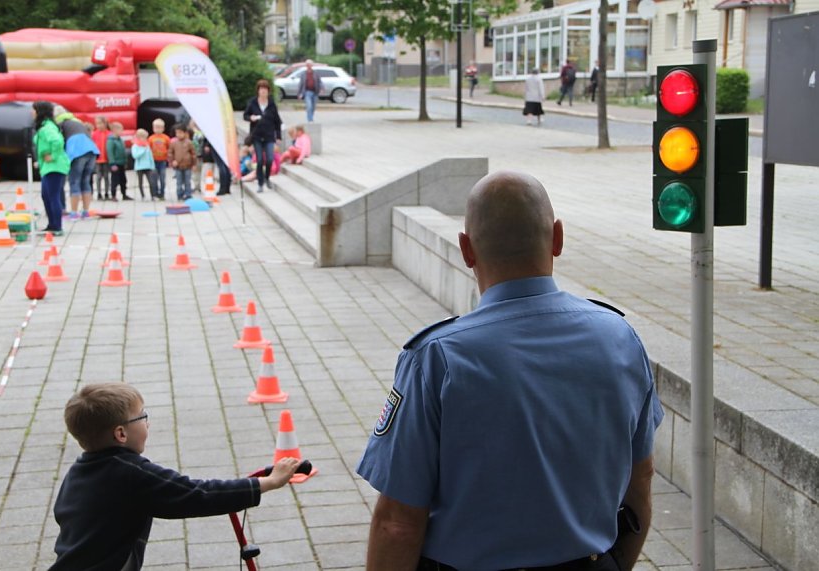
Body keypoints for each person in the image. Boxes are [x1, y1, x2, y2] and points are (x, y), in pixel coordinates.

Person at [357, 171, 663, 571]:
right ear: (557, 238)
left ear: (466, 250)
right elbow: (640, 482)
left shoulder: (438, 358)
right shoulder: (620, 338)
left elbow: (397, 523)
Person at [49, 382, 302, 570]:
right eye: (142, 416)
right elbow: (195, 493)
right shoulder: (130, 474)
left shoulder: (78, 471)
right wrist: (267, 483)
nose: (147, 423)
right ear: (121, 434)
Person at [54, 105, 99, 220]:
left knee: (74, 181)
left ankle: (73, 213)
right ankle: (85, 212)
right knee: (85, 181)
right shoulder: (77, 121)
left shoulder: (60, 123)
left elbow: (59, 141)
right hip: (91, 150)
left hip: (77, 151)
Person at [32, 101, 70, 235]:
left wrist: (52, 156)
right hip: (47, 166)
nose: (32, 113)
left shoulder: (47, 127)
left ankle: (57, 226)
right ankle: (52, 224)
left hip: (55, 166)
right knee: (46, 195)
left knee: (53, 196)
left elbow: (57, 141)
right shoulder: (44, 126)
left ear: (39, 112)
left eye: (34, 110)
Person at [244, 79, 282, 193]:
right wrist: (251, 118)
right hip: (257, 136)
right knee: (260, 160)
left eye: (265, 89)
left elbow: (277, 121)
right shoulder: (253, 102)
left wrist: (278, 136)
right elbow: (245, 115)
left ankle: (267, 178)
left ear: (268, 91)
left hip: (269, 135)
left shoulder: (271, 104)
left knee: (270, 158)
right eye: (261, 89)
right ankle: (260, 183)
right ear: (258, 91)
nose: (263, 92)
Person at [167, 123, 197, 201]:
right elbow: (170, 153)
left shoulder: (189, 142)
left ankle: (188, 195)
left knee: (187, 181)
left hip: (188, 166)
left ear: (185, 133)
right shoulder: (173, 143)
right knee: (179, 182)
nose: (178, 134)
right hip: (178, 166)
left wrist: (194, 164)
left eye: (180, 132)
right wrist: (172, 161)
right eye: (177, 133)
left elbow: (193, 154)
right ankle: (179, 195)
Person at [106, 123, 132, 201]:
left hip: (121, 163)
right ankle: (113, 195)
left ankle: (124, 194)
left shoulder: (120, 140)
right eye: (121, 130)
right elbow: (110, 152)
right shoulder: (111, 141)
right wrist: (112, 163)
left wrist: (125, 162)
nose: (122, 131)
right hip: (115, 163)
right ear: (114, 130)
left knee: (123, 180)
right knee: (115, 180)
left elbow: (123, 151)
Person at [131, 129, 159, 200]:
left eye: (145, 137)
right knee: (140, 182)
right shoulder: (135, 146)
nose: (144, 139)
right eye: (142, 137)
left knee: (151, 182)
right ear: (138, 137)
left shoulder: (147, 145)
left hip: (148, 166)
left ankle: (153, 196)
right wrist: (143, 151)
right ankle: (143, 196)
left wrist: (152, 166)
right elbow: (135, 156)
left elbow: (150, 156)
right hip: (139, 167)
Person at [148, 118, 170, 200]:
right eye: (156, 127)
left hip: (163, 161)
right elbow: (148, 149)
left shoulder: (166, 138)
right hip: (153, 161)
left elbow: (169, 148)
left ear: (163, 128)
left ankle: (162, 193)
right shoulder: (151, 138)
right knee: (154, 178)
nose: (157, 129)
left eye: (159, 127)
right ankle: (155, 193)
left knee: (162, 178)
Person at [91, 116, 110, 201]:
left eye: (100, 123)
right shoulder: (94, 134)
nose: (98, 125)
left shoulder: (109, 134)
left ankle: (106, 193)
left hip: (106, 159)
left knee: (106, 176)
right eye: (97, 124)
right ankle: (98, 193)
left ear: (105, 123)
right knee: (98, 177)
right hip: (98, 159)